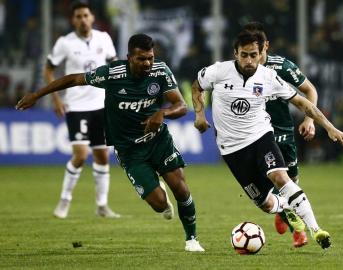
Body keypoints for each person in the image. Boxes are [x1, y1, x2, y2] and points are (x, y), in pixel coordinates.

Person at [16, 33, 205, 252]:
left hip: (158, 141)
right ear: (129, 58)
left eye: (150, 58)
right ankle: (157, 191)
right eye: (141, 59)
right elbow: (72, 79)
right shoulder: (112, 74)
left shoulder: (160, 71)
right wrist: (37, 95)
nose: (147, 63)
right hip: (129, 150)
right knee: (160, 203)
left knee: (181, 189)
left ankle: (192, 239)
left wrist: (163, 113)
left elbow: (181, 105)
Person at [192, 30, 343, 249]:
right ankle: (286, 207)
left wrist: (329, 127)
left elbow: (303, 102)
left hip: (261, 137)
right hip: (231, 149)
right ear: (235, 53)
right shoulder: (219, 71)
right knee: (265, 204)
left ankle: (316, 230)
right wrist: (200, 115)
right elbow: (196, 86)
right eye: (244, 55)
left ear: (261, 53)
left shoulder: (269, 77)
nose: (249, 60)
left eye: (254, 55)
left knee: (280, 176)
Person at [243, 21, 318, 247]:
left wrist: (309, 119)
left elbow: (309, 90)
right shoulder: (238, 70)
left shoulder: (281, 66)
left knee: (291, 180)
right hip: (256, 134)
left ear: (265, 46)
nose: (251, 58)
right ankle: (298, 229)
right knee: (273, 179)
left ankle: (283, 209)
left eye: (257, 50)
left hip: (283, 131)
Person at [44, 2, 121, 219]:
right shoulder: (64, 43)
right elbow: (48, 70)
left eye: (85, 15)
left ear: (92, 17)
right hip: (77, 106)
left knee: (103, 156)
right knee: (80, 155)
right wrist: (56, 99)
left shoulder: (104, 38)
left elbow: (114, 66)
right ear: (73, 20)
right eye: (78, 16)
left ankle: (102, 205)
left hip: (101, 105)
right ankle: (65, 200)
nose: (82, 19)